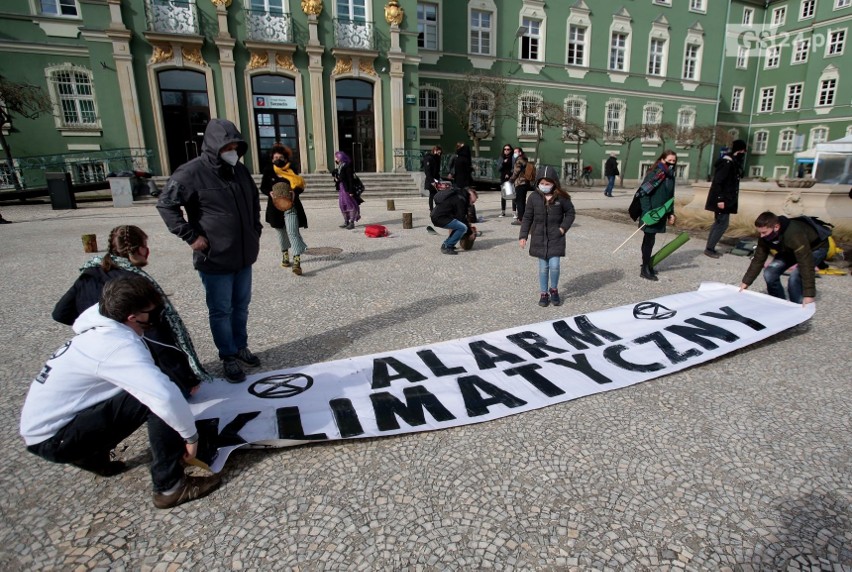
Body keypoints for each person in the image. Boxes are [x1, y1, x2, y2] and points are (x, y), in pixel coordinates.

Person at [20, 275, 221, 509]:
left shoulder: (103, 323)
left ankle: (93, 456)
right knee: (153, 399)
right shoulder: (116, 345)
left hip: (46, 429)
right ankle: (170, 487)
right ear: (132, 317)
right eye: (152, 314)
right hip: (53, 439)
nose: (156, 319)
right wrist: (190, 437)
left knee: (141, 391)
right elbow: (163, 396)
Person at [157, 118, 262, 384]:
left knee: (242, 307)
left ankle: (241, 346)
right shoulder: (190, 173)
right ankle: (227, 355)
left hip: (243, 255)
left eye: (237, 146)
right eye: (228, 146)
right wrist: (191, 236)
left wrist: (255, 228)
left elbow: (253, 201)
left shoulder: (240, 171)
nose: (233, 151)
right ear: (215, 146)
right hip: (215, 257)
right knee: (221, 310)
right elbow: (166, 205)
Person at [52, 225, 210, 398]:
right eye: (145, 245)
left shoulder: (89, 273)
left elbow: (60, 313)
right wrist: (186, 380)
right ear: (138, 249)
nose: (147, 250)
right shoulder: (135, 284)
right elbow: (160, 339)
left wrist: (93, 325)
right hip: (129, 359)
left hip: (103, 360)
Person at [739, 211, 828, 307]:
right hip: (790, 249)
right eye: (760, 233)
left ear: (776, 227)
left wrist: (809, 295)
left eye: (764, 232)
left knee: (795, 277)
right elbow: (758, 259)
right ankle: (779, 305)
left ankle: (796, 308)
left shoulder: (794, 234)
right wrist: (746, 282)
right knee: (769, 273)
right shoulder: (765, 235)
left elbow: (806, 264)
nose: (761, 236)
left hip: (815, 248)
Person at [519, 172, 576, 307]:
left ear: (554, 183)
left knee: (555, 266)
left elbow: (570, 213)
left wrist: (562, 228)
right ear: (538, 183)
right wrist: (523, 236)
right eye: (542, 183)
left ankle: (554, 290)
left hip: (556, 237)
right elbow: (527, 217)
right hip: (539, 237)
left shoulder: (561, 197)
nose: (544, 186)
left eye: (547, 184)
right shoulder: (533, 197)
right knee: (543, 268)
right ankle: (544, 293)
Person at [260, 144, 308, 275]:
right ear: (272, 159)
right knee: (281, 233)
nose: (278, 159)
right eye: (275, 157)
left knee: (292, 232)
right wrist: (269, 192)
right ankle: (285, 255)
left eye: (280, 157)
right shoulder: (269, 170)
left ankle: (297, 261)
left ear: (286, 159)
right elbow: (263, 187)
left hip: (291, 206)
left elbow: (300, 186)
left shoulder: (291, 170)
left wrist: (295, 193)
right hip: (275, 208)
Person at [637, 150, 678, 281]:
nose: (672, 163)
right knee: (648, 239)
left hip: (662, 212)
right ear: (662, 160)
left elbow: (670, 196)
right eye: (669, 160)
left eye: (674, 161)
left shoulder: (671, 175)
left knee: (652, 239)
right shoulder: (654, 174)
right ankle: (644, 268)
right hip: (651, 213)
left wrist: (671, 213)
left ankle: (647, 264)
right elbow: (643, 194)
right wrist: (648, 212)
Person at [704, 139, 747, 258]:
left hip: (726, 199)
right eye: (743, 151)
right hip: (722, 200)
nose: (744, 154)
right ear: (739, 151)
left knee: (719, 222)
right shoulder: (727, 163)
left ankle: (710, 247)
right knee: (722, 223)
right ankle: (709, 248)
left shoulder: (732, 162)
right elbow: (718, 182)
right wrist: (720, 199)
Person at [430, 183, 477, 255]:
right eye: (472, 202)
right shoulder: (461, 199)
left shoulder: (459, 196)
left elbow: (460, 217)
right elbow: (461, 218)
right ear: (469, 196)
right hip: (440, 217)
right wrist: (470, 233)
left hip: (438, 216)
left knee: (458, 225)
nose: (471, 204)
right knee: (462, 227)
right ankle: (447, 246)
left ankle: (448, 244)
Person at [333, 150, 360, 230]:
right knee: (342, 205)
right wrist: (336, 179)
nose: (335, 159)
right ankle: (346, 221)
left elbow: (350, 179)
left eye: (336, 157)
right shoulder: (340, 167)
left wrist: (351, 191)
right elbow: (340, 178)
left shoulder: (347, 166)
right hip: (342, 188)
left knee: (350, 205)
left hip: (347, 189)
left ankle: (352, 222)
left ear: (340, 158)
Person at [509, 148, 534, 226]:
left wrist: (511, 180)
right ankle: (526, 218)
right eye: (514, 152)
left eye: (516, 152)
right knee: (522, 201)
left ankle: (521, 219)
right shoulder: (525, 159)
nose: (514, 153)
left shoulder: (519, 160)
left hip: (520, 182)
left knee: (519, 201)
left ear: (520, 152)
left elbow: (516, 171)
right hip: (526, 182)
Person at [423, 145, 442, 212]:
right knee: (432, 194)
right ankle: (431, 209)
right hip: (431, 179)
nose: (439, 154)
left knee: (438, 194)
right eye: (438, 153)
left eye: (440, 153)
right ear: (434, 151)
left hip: (436, 179)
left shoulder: (437, 158)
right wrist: (432, 181)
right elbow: (427, 171)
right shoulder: (428, 158)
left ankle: (438, 207)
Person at [498, 144, 516, 218]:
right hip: (503, 177)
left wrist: (509, 173)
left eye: (508, 149)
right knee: (504, 195)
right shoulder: (501, 157)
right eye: (505, 149)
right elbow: (498, 168)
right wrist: (503, 163)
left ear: (511, 150)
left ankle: (514, 212)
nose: (506, 151)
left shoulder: (513, 157)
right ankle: (503, 212)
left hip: (510, 177)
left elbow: (514, 167)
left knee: (512, 194)